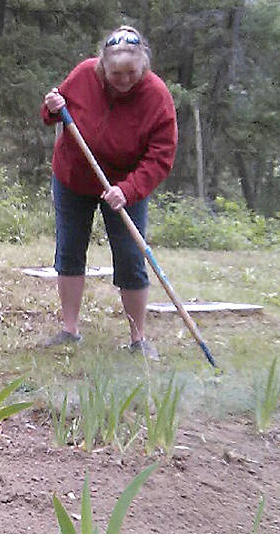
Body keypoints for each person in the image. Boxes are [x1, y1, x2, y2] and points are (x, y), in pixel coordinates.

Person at [40, 26, 177, 360]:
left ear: (144, 66)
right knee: (70, 250)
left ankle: (138, 338)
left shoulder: (157, 96)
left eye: (132, 73)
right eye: (117, 73)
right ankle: (69, 330)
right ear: (103, 65)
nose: (124, 80)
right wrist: (53, 105)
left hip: (126, 184)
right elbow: (51, 114)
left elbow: (161, 156)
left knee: (131, 257)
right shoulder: (85, 73)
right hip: (74, 177)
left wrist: (128, 190)